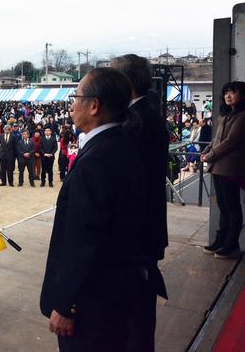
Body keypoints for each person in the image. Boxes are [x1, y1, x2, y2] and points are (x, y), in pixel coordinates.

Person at [40, 68, 150, 351]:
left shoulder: (96, 161)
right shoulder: (123, 145)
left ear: (94, 105)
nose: (71, 104)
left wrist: (67, 305)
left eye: (75, 96)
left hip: (92, 305)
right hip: (117, 293)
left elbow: (83, 241)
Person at [112, 54, 170, 352]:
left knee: (136, 318)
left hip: (138, 233)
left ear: (125, 82)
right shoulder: (146, 112)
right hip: (146, 229)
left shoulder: (137, 120)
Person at [201, 81, 245, 259]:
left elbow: (230, 142)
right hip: (219, 167)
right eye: (226, 92)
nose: (228, 96)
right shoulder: (226, 115)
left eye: (232, 93)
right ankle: (221, 240)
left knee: (232, 207)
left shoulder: (242, 116)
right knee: (223, 207)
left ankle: (231, 244)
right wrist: (206, 151)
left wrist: (209, 156)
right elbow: (217, 139)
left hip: (231, 168)